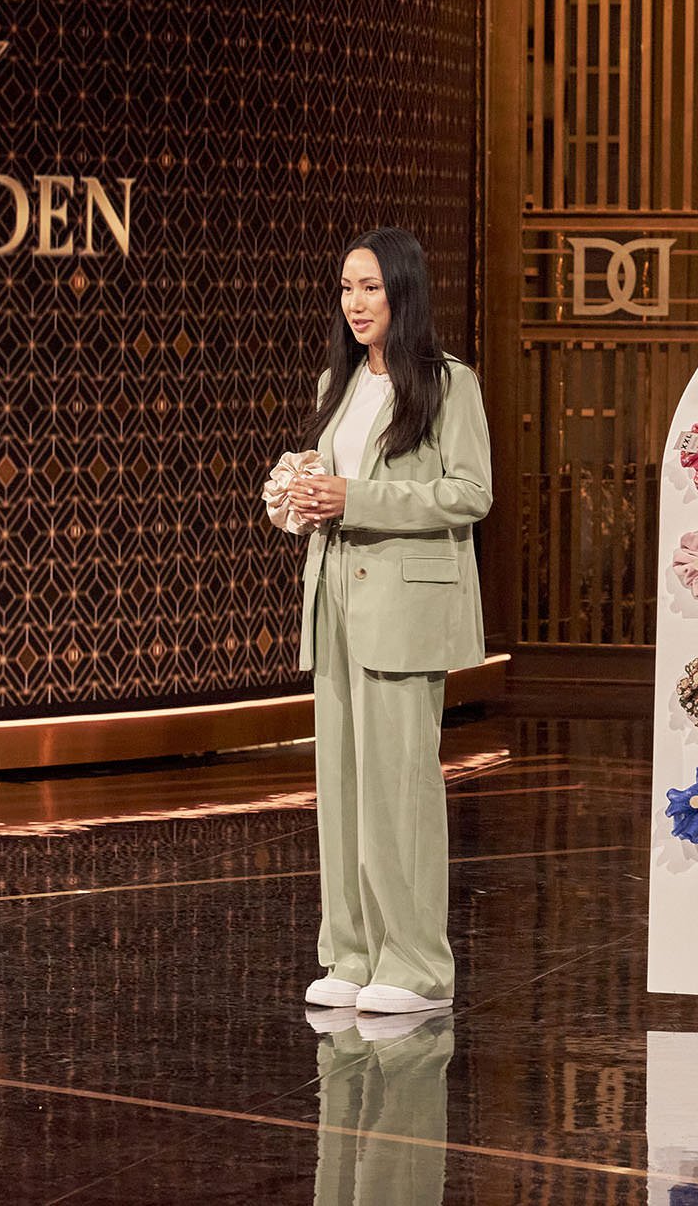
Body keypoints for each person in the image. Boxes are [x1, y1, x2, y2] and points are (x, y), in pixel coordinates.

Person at [286, 226, 491, 1015]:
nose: (356, 302)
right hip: (334, 594)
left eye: (370, 286)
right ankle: (349, 951)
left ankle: (416, 965)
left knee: (399, 788)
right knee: (339, 781)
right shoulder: (334, 385)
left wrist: (357, 500)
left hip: (404, 605)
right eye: (346, 287)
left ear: (403, 291)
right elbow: (329, 479)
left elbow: (470, 492)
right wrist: (299, 495)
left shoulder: (446, 382)